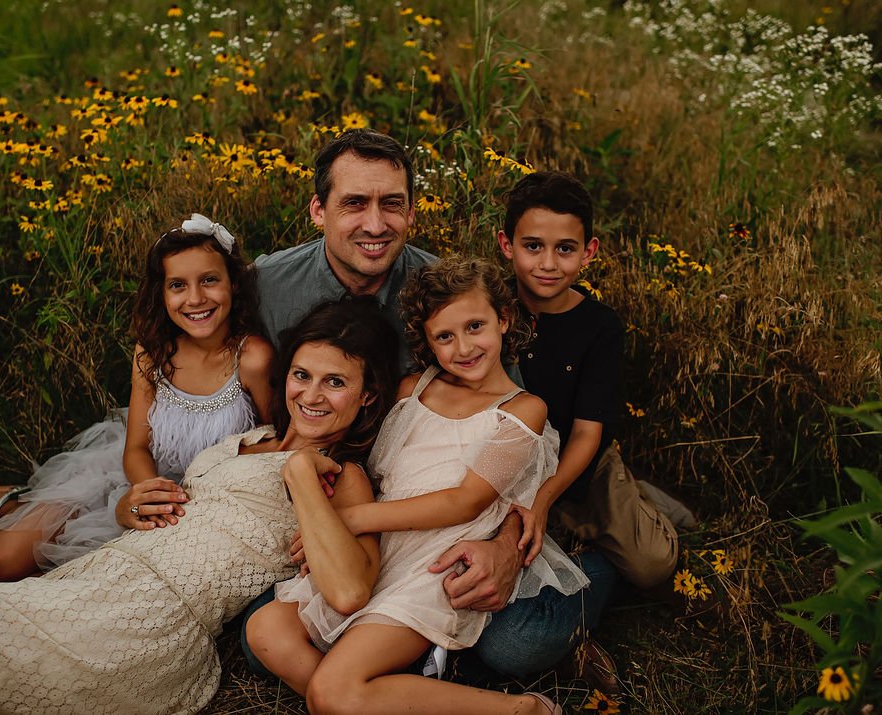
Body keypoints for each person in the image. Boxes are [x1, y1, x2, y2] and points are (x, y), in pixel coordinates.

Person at [0, 297, 401, 714]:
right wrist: (126, 510)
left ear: (368, 394)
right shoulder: (254, 435)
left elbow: (350, 590)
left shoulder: (344, 478)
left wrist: (303, 472)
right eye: (303, 376)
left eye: (336, 383)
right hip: (101, 572)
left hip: (153, 616)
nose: (311, 395)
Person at [246, 257, 588, 715]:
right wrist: (335, 527)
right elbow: (372, 464)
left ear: (504, 320)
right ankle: (374, 700)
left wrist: (343, 519)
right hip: (379, 548)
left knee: (333, 692)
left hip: (434, 565)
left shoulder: (523, 409)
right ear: (426, 341)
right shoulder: (413, 388)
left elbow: (463, 502)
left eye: (475, 326)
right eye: (444, 336)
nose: (463, 347)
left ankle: (522, 710)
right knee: (266, 629)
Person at [0, 214, 274, 581]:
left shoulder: (252, 359)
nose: (195, 298)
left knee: (39, 571)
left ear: (233, 284)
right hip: (138, 478)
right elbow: (137, 448)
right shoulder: (154, 353)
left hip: (205, 500)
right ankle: (14, 502)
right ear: (161, 293)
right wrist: (144, 491)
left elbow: (278, 441)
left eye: (209, 280)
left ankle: (11, 507)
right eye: (178, 285)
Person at [486, 170, 680, 682]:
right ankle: (584, 536)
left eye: (565, 249)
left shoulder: (599, 326)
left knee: (652, 566)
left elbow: (590, 433)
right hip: (507, 463)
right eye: (533, 246)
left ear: (589, 251)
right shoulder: (489, 307)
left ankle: (636, 507)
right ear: (507, 245)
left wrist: (544, 501)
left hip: (581, 460)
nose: (548, 264)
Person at [253, 128, 434, 365]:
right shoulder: (265, 287)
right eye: (355, 203)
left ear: (410, 212)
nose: (375, 226)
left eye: (391, 204)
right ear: (319, 211)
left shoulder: (443, 292)